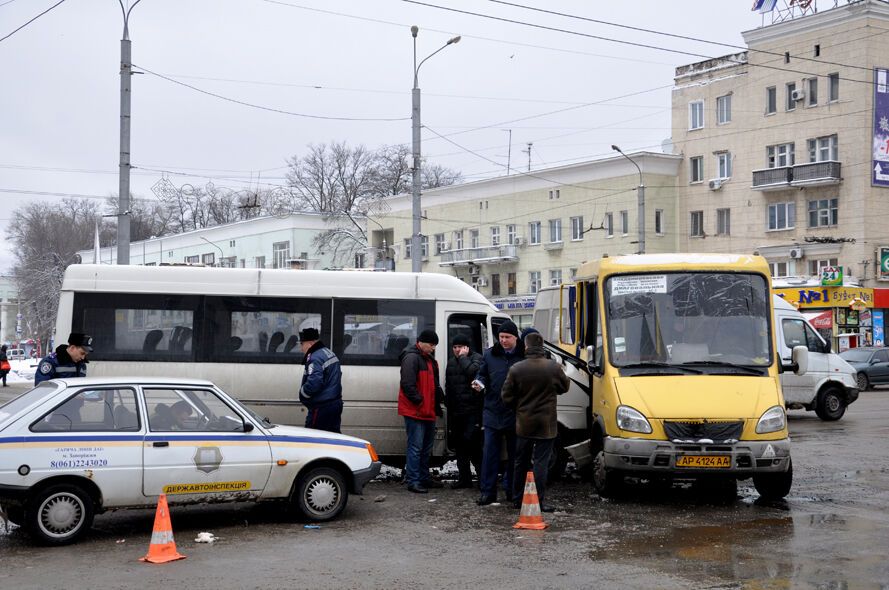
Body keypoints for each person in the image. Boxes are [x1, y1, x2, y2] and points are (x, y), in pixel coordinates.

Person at [501, 331, 570, 512]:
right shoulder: (553, 367)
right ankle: (538, 500)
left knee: (520, 461)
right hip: (546, 423)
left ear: (526, 346)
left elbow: (506, 395)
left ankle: (517, 499)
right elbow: (565, 387)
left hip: (524, 422)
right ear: (542, 347)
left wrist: (519, 407)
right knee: (541, 462)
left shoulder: (517, 368)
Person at [472, 320, 525, 506]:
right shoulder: (490, 355)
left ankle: (512, 490)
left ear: (515, 338)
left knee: (515, 455)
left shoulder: (523, 356)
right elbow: (482, 374)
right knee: (489, 454)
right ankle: (488, 492)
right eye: (501, 337)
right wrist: (479, 382)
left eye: (507, 337)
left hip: (514, 412)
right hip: (493, 411)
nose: (503, 340)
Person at [398, 329, 444, 494]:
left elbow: (433, 384)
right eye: (431, 345)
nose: (433, 348)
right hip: (416, 411)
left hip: (427, 410)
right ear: (421, 342)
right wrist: (420, 401)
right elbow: (408, 384)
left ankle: (423, 478)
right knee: (416, 448)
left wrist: (436, 400)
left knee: (425, 448)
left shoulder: (429, 359)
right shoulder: (411, 358)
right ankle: (413, 481)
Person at [445, 333, 483, 489]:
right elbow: (449, 385)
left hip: (472, 412)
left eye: (460, 347)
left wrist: (463, 358)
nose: (457, 350)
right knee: (460, 447)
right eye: (454, 347)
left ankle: (482, 479)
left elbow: (473, 373)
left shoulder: (477, 359)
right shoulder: (451, 363)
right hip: (457, 412)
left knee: (474, 446)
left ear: (467, 348)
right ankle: (464, 479)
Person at [298, 327, 344, 433]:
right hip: (334, 404)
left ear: (310, 344)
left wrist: (303, 394)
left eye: (302, 344)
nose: (301, 348)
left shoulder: (315, 358)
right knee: (333, 437)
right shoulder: (328, 353)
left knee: (313, 439)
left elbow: (314, 383)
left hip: (321, 408)